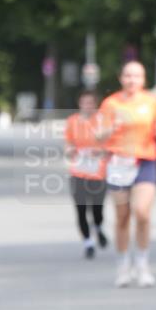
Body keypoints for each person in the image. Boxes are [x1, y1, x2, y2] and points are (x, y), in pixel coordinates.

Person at [97, 61, 156, 288]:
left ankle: (142, 264)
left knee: (142, 212)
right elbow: (99, 136)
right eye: (127, 76)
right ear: (121, 78)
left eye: (136, 76)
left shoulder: (152, 102)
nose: (131, 80)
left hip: (145, 160)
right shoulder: (110, 103)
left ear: (143, 79)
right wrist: (111, 128)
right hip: (118, 162)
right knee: (122, 217)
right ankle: (123, 266)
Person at [64, 90, 108, 259]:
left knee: (97, 210)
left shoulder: (102, 122)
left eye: (91, 103)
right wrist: (70, 151)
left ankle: (98, 227)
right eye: (84, 103)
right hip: (78, 172)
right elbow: (67, 146)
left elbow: (110, 147)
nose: (87, 106)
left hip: (98, 174)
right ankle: (88, 243)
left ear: (95, 105)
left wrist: (100, 151)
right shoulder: (72, 121)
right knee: (81, 210)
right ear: (79, 104)